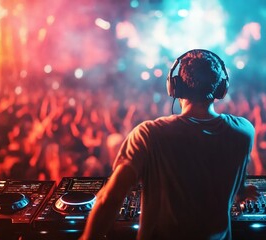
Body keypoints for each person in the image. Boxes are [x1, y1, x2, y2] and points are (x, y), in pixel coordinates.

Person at [80, 49, 256, 240]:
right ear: (221, 89)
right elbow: (228, 183)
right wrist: (241, 191)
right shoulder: (244, 131)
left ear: (175, 87)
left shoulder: (148, 134)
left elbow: (110, 199)